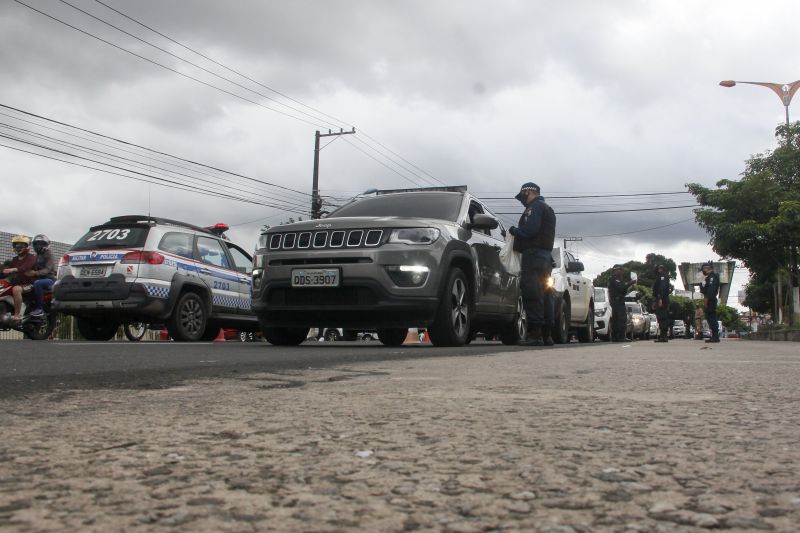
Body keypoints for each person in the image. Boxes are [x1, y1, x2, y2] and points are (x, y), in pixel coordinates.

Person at [508, 181, 556, 346]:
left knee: (533, 293)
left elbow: (530, 230)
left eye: (522, 196)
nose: (522, 200)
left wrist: (514, 231)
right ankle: (547, 335)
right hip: (545, 258)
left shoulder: (535, 207)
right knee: (546, 294)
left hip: (534, 256)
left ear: (528, 192)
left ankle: (535, 335)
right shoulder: (547, 208)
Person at [1, 235, 37, 322]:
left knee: (16, 290)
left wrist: (13, 269)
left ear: (27, 246)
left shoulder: (32, 258)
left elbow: (26, 267)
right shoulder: (15, 259)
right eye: (16, 245)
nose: (18, 247)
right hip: (17, 283)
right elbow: (6, 271)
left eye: (21, 245)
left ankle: (17, 315)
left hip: (30, 283)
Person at [26, 234, 56, 317]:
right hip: (40, 278)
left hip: (50, 279)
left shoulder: (49, 255)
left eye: (41, 244)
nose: (38, 246)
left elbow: (48, 269)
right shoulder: (37, 255)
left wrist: (35, 273)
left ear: (46, 244)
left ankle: (40, 309)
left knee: (37, 283)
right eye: (37, 244)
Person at [608, 264, 633, 342]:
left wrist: (627, 286)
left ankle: (619, 336)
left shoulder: (620, 279)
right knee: (620, 319)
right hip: (616, 301)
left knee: (619, 319)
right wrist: (630, 283)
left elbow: (624, 290)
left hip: (620, 300)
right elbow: (621, 288)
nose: (621, 271)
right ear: (616, 270)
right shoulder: (614, 279)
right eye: (620, 270)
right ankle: (619, 337)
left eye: (621, 270)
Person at [699, 261, 721, 343]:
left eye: (703, 270)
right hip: (709, 299)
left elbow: (711, 291)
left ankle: (715, 337)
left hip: (710, 300)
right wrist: (702, 284)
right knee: (709, 318)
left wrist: (706, 299)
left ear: (707, 268)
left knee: (712, 318)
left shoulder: (712, 277)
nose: (703, 272)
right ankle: (714, 336)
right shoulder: (708, 278)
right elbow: (704, 290)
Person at [651, 264, 672, 342]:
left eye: (660, 268)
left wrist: (660, 298)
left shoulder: (663, 276)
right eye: (659, 268)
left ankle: (663, 336)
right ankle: (662, 336)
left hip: (663, 299)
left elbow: (662, 288)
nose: (659, 270)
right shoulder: (660, 276)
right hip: (660, 298)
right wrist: (655, 300)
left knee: (663, 317)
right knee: (661, 318)